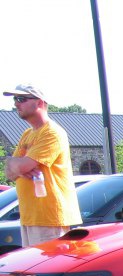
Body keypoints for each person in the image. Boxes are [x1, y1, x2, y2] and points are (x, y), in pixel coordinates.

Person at [2, 83, 81, 246]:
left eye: (21, 99)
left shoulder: (52, 132)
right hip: (29, 217)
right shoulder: (27, 134)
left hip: (49, 218)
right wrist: (17, 164)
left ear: (39, 103)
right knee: (31, 270)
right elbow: (9, 172)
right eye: (16, 99)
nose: (16, 103)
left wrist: (20, 166)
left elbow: (20, 167)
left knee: (49, 269)